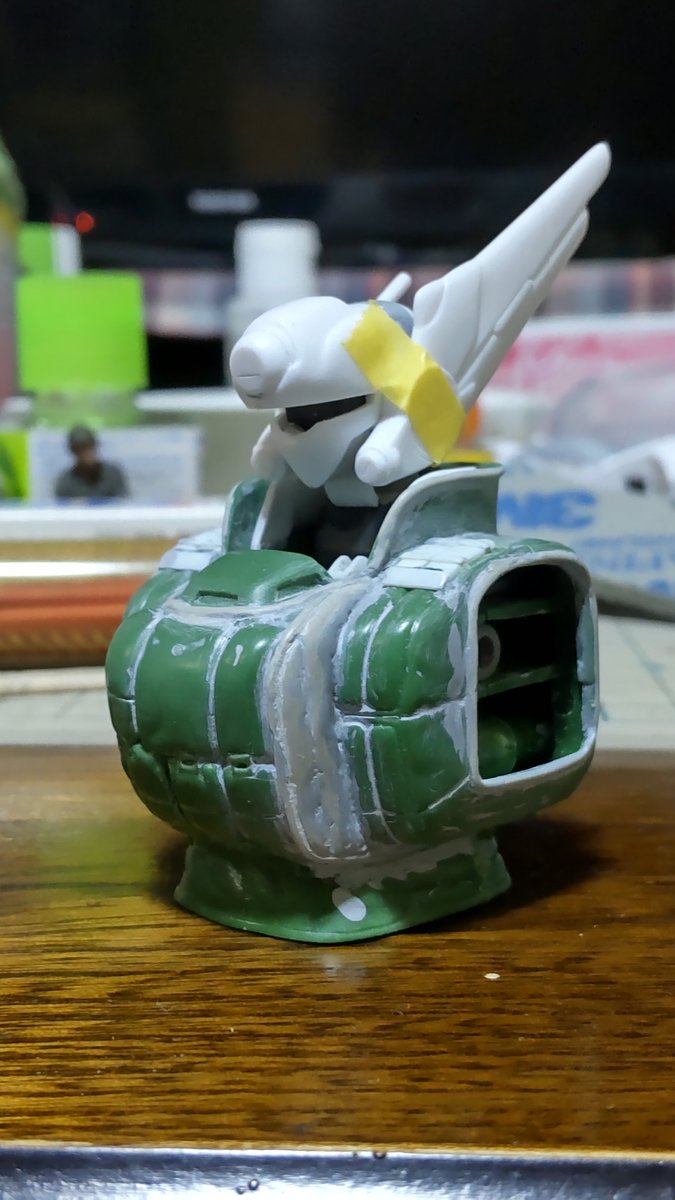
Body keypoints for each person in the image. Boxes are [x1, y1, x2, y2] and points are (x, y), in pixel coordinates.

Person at [54, 425, 129, 501]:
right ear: (73, 451)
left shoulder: (113, 474)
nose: (86, 453)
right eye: (80, 449)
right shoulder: (65, 482)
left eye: (89, 447)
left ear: (96, 446)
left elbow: (123, 503)